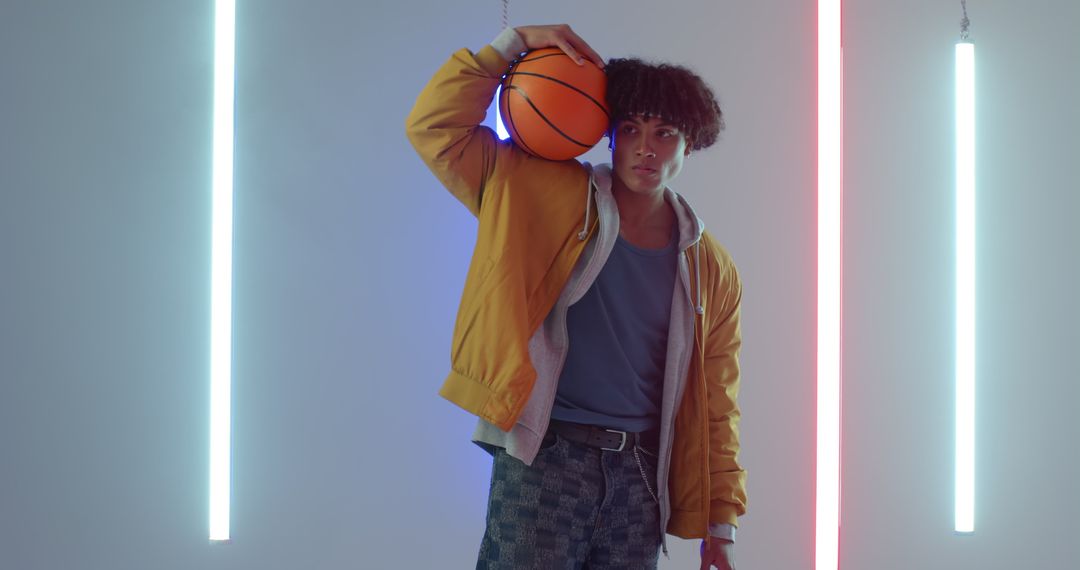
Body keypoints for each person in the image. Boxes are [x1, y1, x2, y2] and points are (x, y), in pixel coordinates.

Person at [406, 23, 746, 570]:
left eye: (665, 133)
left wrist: (720, 523)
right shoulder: (536, 189)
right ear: (609, 134)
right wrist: (511, 45)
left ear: (691, 143)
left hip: (640, 477)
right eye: (631, 128)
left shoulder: (711, 267)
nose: (645, 148)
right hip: (545, 456)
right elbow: (435, 128)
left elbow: (717, 401)